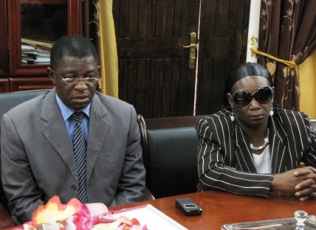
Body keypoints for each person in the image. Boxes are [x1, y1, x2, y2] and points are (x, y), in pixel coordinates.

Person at [0, 35, 146, 224]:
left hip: (110, 223)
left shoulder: (124, 116)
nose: (81, 86)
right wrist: (67, 226)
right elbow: (22, 200)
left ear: (98, 73)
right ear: (51, 75)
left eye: (89, 76)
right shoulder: (17, 124)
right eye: (70, 77)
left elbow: (133, 187)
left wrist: (104, 223)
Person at [195, 62, 316, 201]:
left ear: (273, 94)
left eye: (263, 95)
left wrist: (311, 183)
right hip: (228, 209)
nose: (254, 105)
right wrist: (274, 181)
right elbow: (210, 174)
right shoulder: (214, 127)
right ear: (231, 100)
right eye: (243, 98)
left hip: (281, 211)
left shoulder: (296, 123)